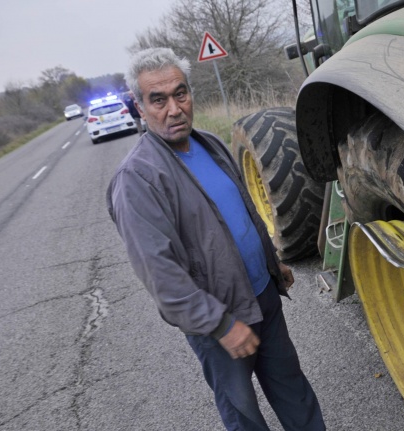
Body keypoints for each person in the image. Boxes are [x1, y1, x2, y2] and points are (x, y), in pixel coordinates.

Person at [106, 47, 325, 431]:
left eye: (180, 93)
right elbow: (161, 275)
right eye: (158, 100)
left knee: (294, 391)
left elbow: (242, 210)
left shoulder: (209, 142)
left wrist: (273, 262)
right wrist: (221, 325)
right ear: (140, 107)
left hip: (264, 300)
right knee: (243, 414)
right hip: (220, 321)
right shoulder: (137, 179)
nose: (174, 109)